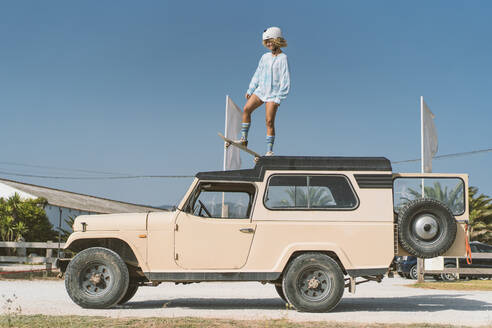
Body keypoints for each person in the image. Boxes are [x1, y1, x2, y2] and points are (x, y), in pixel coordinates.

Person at [240, 26, 290, 156]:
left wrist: (279, 98)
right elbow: (258, 73)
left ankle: (269, 151)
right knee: (246, 109)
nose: (268, 44)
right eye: (266, 42)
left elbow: (285, 79)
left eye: (270, 41)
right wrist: (251, 89)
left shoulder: (283, 58)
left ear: (277, 40)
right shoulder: (265, 57)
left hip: (274, 94)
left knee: (269, 121)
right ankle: (243, 139)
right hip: (261, 90)